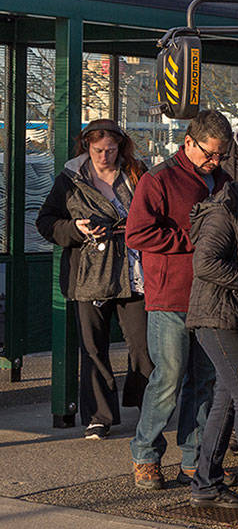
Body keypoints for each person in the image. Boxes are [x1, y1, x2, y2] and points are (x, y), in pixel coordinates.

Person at [126, 109, 232, 490]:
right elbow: (137, 234)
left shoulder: (222, 180)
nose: (215, 161)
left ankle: (193, 458)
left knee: (203, 381)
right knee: (168, 378)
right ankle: (145, 454)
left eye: (221, 155)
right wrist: (192, 242)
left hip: (210, 297)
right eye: (210, 153)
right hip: (170, 296)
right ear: (188, 142)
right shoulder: (159, 179)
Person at [36, 119, 151, 438]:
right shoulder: (70, 179)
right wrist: (75, 229)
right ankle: (99, 416)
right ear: (86, 146)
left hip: (133, 271)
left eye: (111, 150)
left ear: (120, 147)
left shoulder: (136, 172)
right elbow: (45, 221)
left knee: (143, 347)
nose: (104, 156)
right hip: (89, 272)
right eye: (98, 150)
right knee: (93, 349)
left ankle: (146, 407)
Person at [187, 151, 238, 509]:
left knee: (227, 399)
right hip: (215, 316)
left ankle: (206, 483)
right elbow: (205, 263)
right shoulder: (225, 212)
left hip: (227, 316)